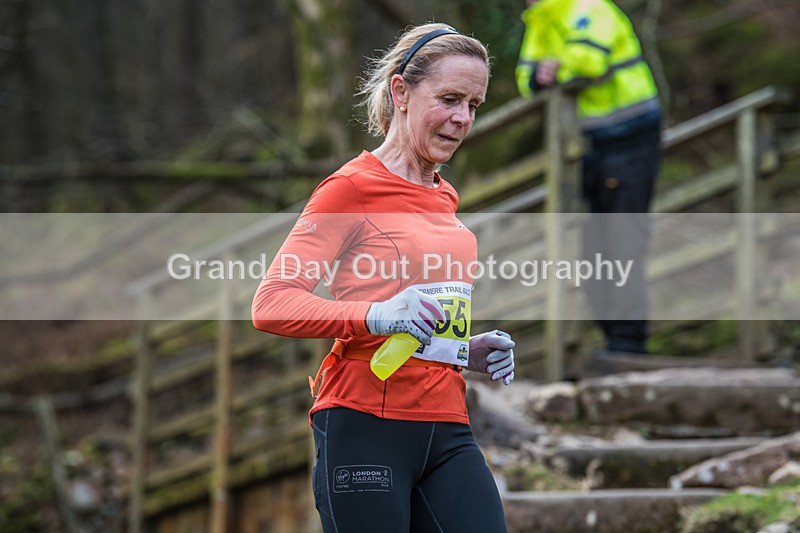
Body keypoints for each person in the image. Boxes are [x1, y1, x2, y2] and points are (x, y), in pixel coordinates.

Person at [252, 23, 515, 533]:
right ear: (400, 91)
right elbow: (272, 302)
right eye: (449, 98)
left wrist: (465, 349)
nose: (462, 118)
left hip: (447, 424)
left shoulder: (445, 195)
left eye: (474, 105)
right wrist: (375, 314)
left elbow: (418, 315)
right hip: (365, 423)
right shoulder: (350, 188)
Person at [516, 0, 662, 355]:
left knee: (622, 237)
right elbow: (525, 76)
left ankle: (628, 343)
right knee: (593, 244)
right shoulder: (540, 21)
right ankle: (616, 340)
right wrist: (541, 75)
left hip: (630, 136)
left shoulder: (590, 7)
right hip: (590, 144)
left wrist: (556, 70)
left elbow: (589, 62)